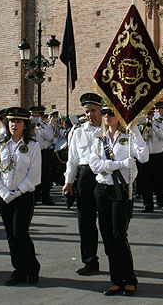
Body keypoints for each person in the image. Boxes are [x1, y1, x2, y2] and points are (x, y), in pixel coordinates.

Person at [89, 102, 148, 296]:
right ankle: (116, 279)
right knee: (106, 236)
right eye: (104, 112)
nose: (107, 116)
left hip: (121, 191)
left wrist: (136, 132)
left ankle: (129, 278)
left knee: (118, 236)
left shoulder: (129, 137)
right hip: (102, 190)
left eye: (111, 113)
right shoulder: (99, 140)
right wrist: (119, 164)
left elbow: (144, 157)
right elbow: (95, 165)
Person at [0, 106, 41, 285]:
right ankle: (18, 270)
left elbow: (34, 174)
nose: (14, 125)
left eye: (18, 121)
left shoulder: (32, 146)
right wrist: (3, 191)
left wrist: (18, 192)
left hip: (24, 195)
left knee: (21, 233)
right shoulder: (1, 145)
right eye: (11, 121)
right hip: (4, 196)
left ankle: (32, 269)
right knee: (11, 235)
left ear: (25, 125)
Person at [62, 93, 103, 275]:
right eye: (87, 112)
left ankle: (117, 260)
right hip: (85, 176)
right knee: (85, 222)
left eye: (93, 111)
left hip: (104, 175)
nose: (90, 115)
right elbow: (72, 160)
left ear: (101, 110)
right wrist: (68, 182)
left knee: (107, 221)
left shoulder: (108, 128)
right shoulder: (78, 132)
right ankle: (89, 260)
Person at [137, 111, 163, 212]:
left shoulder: (159, 123)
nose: (148, 116)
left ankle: (161, 202)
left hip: (158, 155)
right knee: (145, 181)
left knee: (159, 181)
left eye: (150, 113)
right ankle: (147, 204)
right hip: (145, 156)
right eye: (146, 114)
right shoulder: (139, 125)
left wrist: (154, 128)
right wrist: (143, 129)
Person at [30, 106, 55, 205]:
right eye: (32, 115)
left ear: (41, 115)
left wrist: (40, 128)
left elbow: (50, 138)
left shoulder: (45, 125)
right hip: (32, 152)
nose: (34, 117)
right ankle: (34, 197)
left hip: (44, 152)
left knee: (46, 175)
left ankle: (46, 197)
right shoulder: (27, 125)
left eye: (36, 115)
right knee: (33, 174)